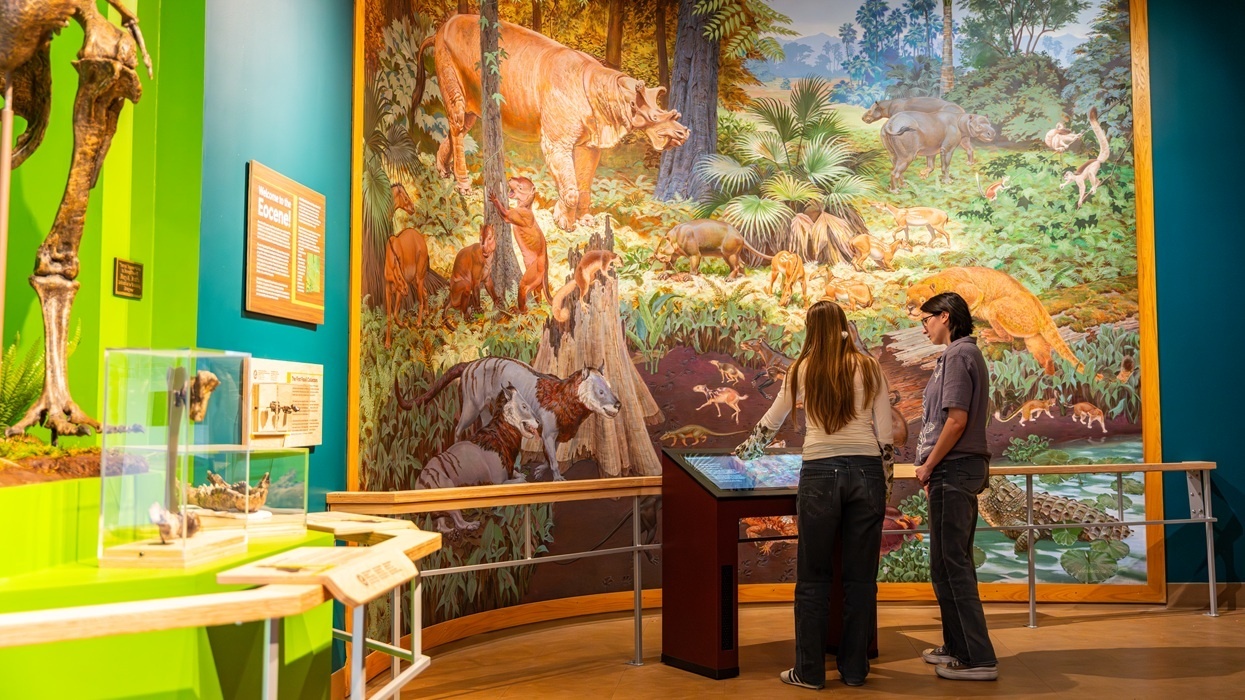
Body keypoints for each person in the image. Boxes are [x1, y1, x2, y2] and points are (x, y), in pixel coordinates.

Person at [734, 301, 893, 690]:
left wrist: (743, 455)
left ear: (811, 329)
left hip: (820, 473)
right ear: (843, 326)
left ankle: (809, 671)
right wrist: (884, 483)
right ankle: (854, 669)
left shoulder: (802, 368)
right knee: (860, 579)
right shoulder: (869, 366)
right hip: (866, 471)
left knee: (813, 578)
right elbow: (885, 434)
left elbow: (772, 420)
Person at [912, 291, 999, 681]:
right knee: (947, 562)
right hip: (954, 469)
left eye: (926, 319)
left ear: (945, 316)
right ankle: (958, 646)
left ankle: (978, 658)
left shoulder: (959, 355)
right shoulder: (960, 354)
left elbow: (957, 420)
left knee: (953, 564)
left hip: (954, 467)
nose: (924, 327)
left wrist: (930, 465)